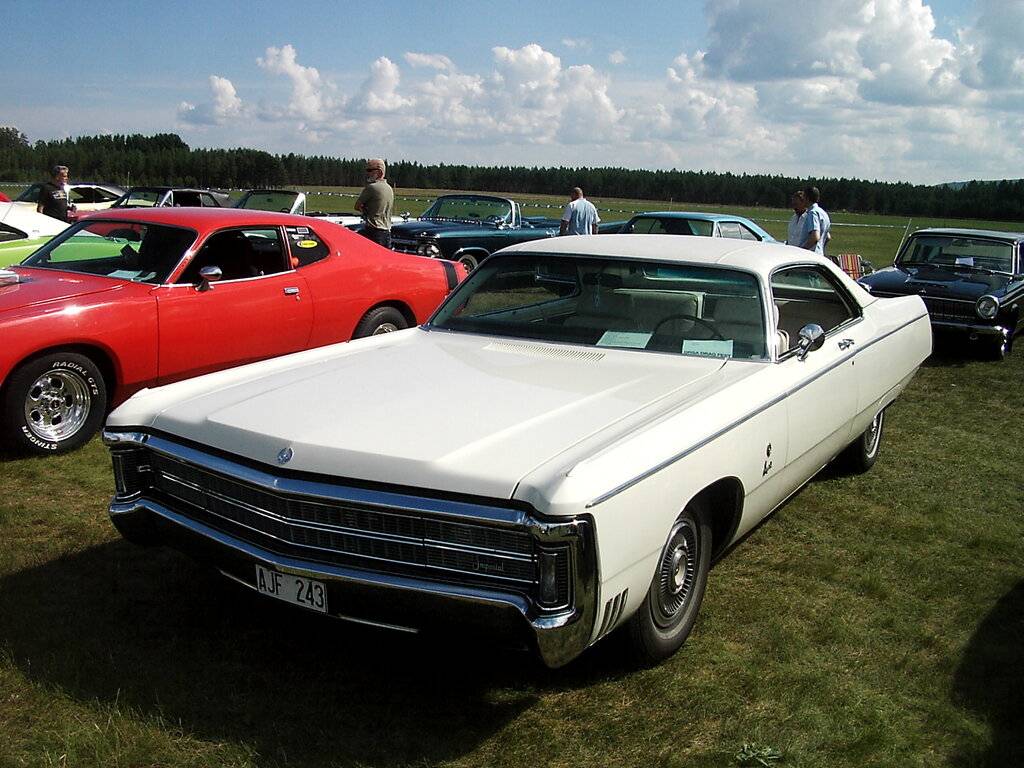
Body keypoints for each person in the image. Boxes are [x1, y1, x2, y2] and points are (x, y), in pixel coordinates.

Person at [354, 158, 394, 248]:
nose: (367, 173)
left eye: (370, 170)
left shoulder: (372, 187)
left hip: (373, 231)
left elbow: (357, 206)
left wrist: (364, 209)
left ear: (379, 172)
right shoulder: (389, 188)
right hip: (387, 232)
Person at [800, 186, 831, 257]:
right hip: (819, 254)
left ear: (807, 198)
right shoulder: (823, 213)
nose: (802, 200)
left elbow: (815, 237)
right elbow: (828, 237)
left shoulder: (812, 213)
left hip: (810, 255)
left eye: (803, 197)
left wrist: (802, 250)